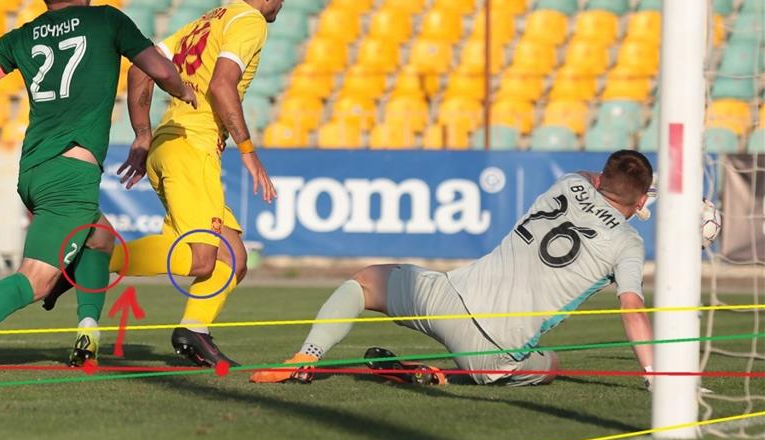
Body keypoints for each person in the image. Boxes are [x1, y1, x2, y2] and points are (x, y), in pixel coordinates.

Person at [0, 0, 193, 373]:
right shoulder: (107, 20)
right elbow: (161, 69)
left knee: (100, 239)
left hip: (35, 169)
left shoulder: (22, 36)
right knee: (36, 279)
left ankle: (87, 334)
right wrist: (185, 91)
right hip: (71, 174)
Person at [45, 0, 288, 369]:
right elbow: (222, 86)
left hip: (169, 146)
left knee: (233, 257)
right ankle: (90, 262)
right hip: (192, 149)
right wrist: (249, 152)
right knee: (203, 258)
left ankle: (194, 330)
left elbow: (142, 66)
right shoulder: (250, 22)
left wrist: (144, 135)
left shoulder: (208, 20)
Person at [252, 150, 656, 388]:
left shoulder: (570, 184)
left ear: (601, 180)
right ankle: (444, 374)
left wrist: (611, 189)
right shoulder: (628, 243)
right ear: (640, 202)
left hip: (449, 297)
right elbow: (632, 309)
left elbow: (589, 178)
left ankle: (306, 356)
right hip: (493, 351)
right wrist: (655, 373)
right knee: (550, 366)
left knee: (364, 282)